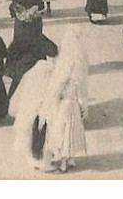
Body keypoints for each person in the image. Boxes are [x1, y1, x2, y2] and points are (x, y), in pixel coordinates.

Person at [41, 27, 89, 172]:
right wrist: (83, 106)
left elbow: (55, 87)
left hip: (62, 104)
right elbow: (81, 90)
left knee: (61, 131)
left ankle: (63, 161)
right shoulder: (78, 68)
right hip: (72, 105)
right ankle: (69, 159)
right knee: (71, 131)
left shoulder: (62, 64)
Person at [8, 54, 55, 166]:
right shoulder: (47, 81)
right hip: (41, 111)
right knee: (41, 134)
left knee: (30, 134)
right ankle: (41, 158)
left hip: (30, 111)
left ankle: (32, 157)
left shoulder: (31, 79)